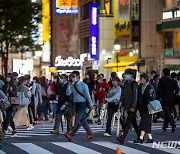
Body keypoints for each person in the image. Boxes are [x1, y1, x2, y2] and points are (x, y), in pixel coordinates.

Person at [64, 71, 94, 142]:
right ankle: (90, 134)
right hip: (76, 104)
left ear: (78, 76)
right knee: (82, 120)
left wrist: (91, 105)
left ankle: (71, 134)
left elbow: (87, 96)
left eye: (74, 76)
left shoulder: (83, 85)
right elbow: (68, 93)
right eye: (71, 76)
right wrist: (69, 85)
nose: (72, 78)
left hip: (83, 104)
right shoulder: (72, 85)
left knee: (77, 120)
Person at [117, 68, 139, 144]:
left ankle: (123, 137)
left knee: (128, 122)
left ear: (131, 75)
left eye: (127, 74)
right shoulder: (126, 83)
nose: (125, 76)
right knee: (134, 122)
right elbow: (124, 94)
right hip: (127, 105)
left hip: (132, 106)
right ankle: (140, 135)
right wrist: (120, 101)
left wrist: (133, 106)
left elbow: (135, 96)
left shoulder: (134, 84)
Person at [134, 73, 156, 143]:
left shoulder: (150, 86)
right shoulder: (140, 86)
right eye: (141, 78)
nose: (141, 79)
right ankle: (150, 138)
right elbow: (138, 96)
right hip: (141, 107)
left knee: (143, 122)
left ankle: (140, 137)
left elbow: (153, 97)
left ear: (146, 79)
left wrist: (150, 94)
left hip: (149, 107)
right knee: (147, 123)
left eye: (142, 78)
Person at [158, 68, 179, 132]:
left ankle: (172, 124)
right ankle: (165, 126)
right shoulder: (172, 81)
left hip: (164, 98)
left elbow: (159, 90)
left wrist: (159, 97)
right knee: (168, 111)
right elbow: (177, 89)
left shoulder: (161, 80)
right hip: (171, 98)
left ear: (164, 73)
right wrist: (174, 93)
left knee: (167, 112)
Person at [2, 73, 17, 137]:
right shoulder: (4, 85)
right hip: (5, 102)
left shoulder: (13, 85)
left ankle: (4, 129)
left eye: (9, 77)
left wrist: (11, 91)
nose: (7, 78)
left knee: (8, 116)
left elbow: (15, 95)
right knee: (9, 117)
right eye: (7, 77)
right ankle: (14, 130)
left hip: (11, 102)